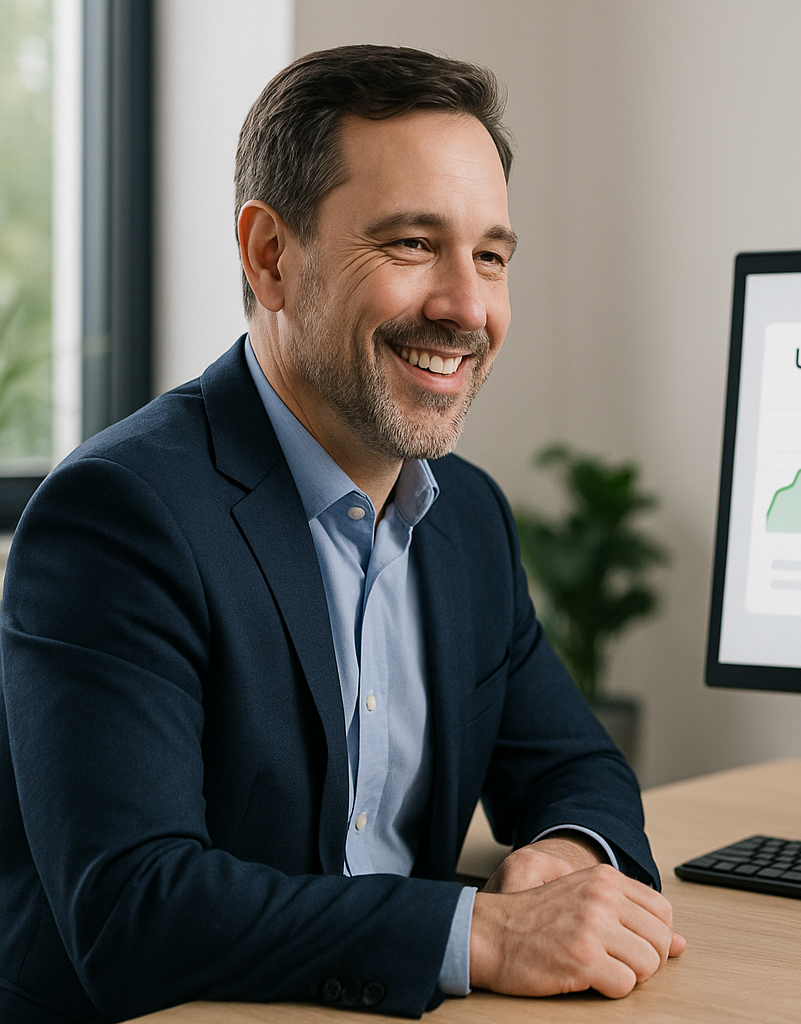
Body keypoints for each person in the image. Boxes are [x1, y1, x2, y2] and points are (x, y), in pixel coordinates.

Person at [0, 45, 683, 1023]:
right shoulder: (120, 515)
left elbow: (577, 766)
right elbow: (133, 909)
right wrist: (482, 934)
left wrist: (564, 855)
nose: (466, 306)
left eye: (491, 256)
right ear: (270, 257)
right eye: (411, 244)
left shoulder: (467, 516)